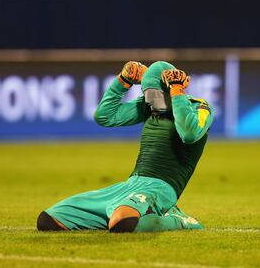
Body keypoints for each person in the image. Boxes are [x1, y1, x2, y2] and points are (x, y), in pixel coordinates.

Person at [37, 61, 214, 232]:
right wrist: (123, 81)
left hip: (160, 189)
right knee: (48, 219)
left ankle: (180, 220)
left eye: (155, 94)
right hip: (129, 185)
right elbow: (104, 117)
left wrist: (177, 91)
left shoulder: (198, 107)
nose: (151, 100)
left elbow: (189, 134)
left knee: (123, 223)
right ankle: (129, 214)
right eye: (147, 94)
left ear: (168, 88)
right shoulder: (149, 107)